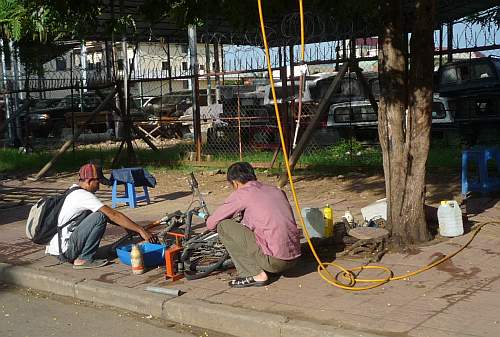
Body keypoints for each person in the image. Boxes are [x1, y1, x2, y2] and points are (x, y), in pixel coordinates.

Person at [206, 162, 301, 288]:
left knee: (223, 226)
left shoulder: (243, 193)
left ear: (235, 182)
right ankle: (266, 265)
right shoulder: (275, 190)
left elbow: (211, 223)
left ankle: (255, 274)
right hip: (294, 258)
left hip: (275, 262)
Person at [45, 163, 157, 269]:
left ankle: (83, 254)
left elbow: (109, 215)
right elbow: (112, 214)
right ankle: (84, 259)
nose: (98, 187)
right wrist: (141, 230)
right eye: (98, 183)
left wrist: (130, 228)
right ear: (89, 181)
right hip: (65, 251)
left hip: (57, 249)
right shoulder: (83, 195)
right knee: (99, 217)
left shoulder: (73, 190)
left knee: (100, 215)